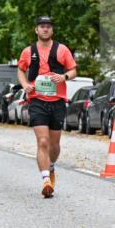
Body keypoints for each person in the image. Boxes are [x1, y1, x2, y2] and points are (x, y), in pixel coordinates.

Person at [17, 15, 77, 198]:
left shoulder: (62, 49)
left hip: (57, 101)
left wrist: (64, 77)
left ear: (52, 30)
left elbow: (73, 70)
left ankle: (50, 166)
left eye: (48, 27)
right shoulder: (28, 51)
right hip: (36, 100)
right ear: (36, 30)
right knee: (42, 141)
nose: (45, 29)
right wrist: (24, 84)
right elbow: (20, 70)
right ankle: (45, 181)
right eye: (42, 26)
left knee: (54, 145)